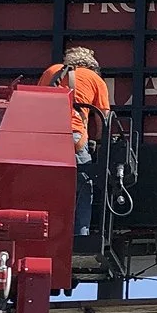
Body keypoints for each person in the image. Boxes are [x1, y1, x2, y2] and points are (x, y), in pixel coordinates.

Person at [38, 47, 110, 236]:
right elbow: (103, 117)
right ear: (92, 66)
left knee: (47, 188)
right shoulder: (95, 79)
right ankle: (80, 235)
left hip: (42, 137)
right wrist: (100, 142)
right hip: (73, 136)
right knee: (83, 186)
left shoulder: (51, 72)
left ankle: (43, 232)